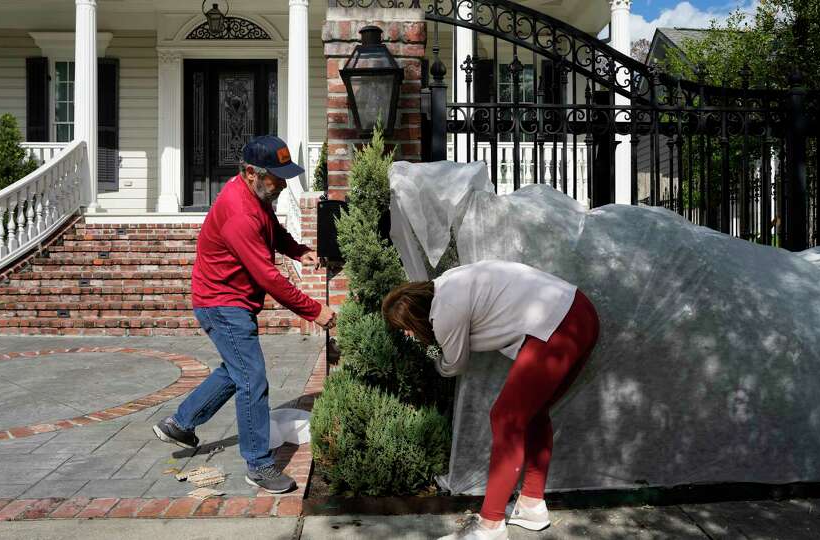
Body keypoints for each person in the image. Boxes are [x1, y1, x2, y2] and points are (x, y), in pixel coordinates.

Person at [153, 135, 337, 494]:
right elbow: (267, 277)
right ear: (252, 173)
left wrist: (299, 251)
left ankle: (180, 423)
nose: (283, 183)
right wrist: (314, 311)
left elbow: (272, 230)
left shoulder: (255, 195)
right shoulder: (238, 212)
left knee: (236, 370)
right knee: (252, 378)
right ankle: (259, 464)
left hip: (230, 299)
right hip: (221, 303)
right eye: (277, 177)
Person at [382, 260, 600, 540]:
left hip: (558, 324)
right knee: (532, 413)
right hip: (580, 313)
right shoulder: (447, 283)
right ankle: (532, 505)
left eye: (405, 328)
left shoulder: (444, 312)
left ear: (415, 316)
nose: (407, 335)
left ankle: (491, 525)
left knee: (506, 418)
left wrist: (431, 352)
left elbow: (453, 365)